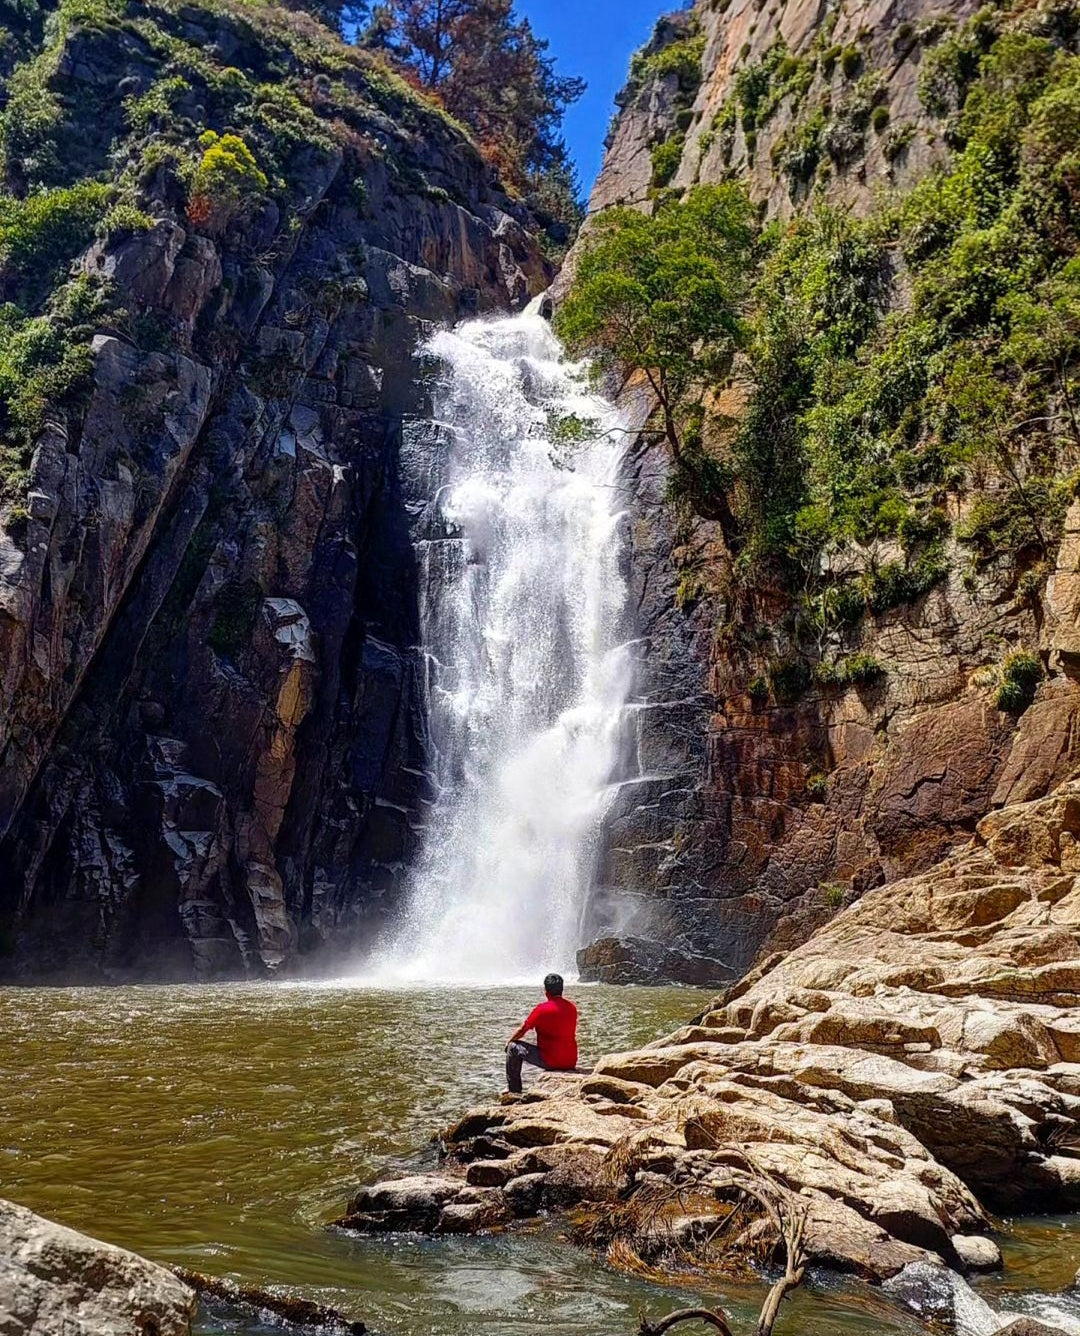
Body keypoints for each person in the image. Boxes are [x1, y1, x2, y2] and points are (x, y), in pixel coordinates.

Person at [504, 973, 578, 1095]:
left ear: (546, 991)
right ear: (562, 989)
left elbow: (522, 1030)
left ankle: (514, 1090)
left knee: (513, 1047)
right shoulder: (572, 1007)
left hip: (551, 1061)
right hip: (570, 1061)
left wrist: (508, 1042)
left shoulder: (542, 1009)